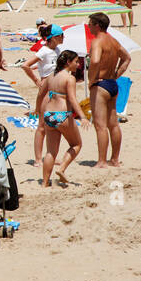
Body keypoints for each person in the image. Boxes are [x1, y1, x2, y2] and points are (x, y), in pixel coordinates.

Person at [87, 11, 131, 167]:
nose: (89, 26)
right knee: (114, 124)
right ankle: (114, 159)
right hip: (112, 84)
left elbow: (95, 61)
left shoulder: (97, 41)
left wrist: (91, 80)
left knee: (100, 126)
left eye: (90, 24)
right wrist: (116, 75)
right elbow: (127, 58)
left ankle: (101, 161)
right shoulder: (114, 41)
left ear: (97, 26)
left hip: (101, 85)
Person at [37, 50, 85, 187]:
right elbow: (72, 99)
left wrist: (36, 109)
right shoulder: (70, 78)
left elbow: (40, 94)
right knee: (76, 144)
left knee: (50, 152)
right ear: (68, 62)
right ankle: (62, 169)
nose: (78, 64)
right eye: (76, 61)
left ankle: (45, 183)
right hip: (62, 115)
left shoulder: (51, 76)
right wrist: (82, 116)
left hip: (49, 115)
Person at [21, 24, 65, 165]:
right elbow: (25, 65)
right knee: (42, 125)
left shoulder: (58, 50)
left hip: (57, 89)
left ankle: (51, 155)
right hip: (46, 89)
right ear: (54, 37)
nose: (63, 37)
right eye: (61, 35)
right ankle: (38, 158)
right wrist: (36, 81)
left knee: (55, 124)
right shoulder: (44, 51)